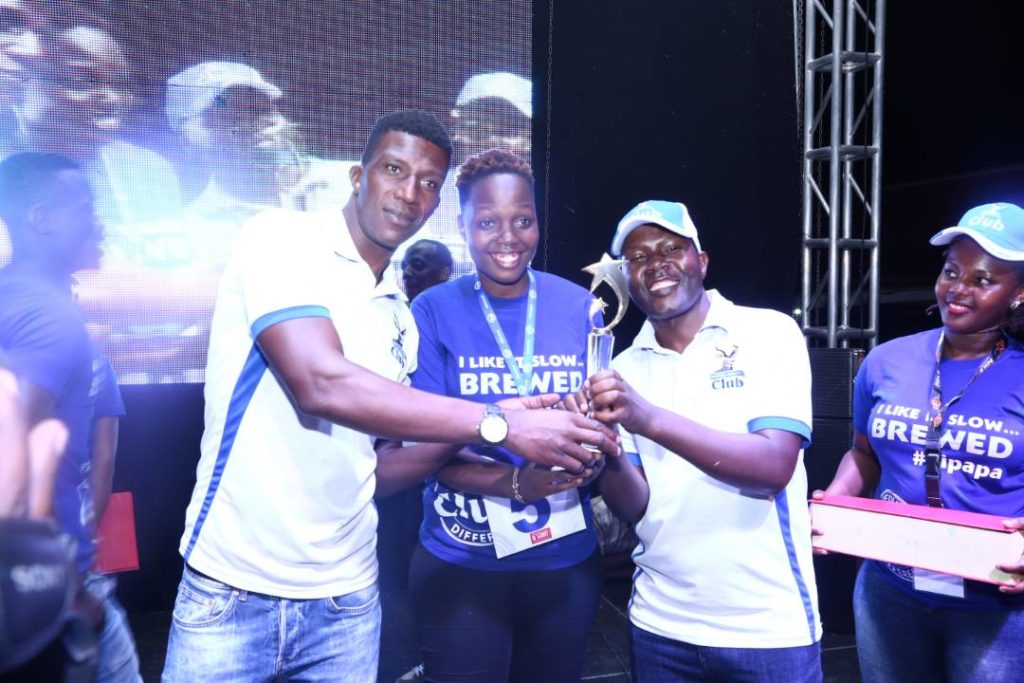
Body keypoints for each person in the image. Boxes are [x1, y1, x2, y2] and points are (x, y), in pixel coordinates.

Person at [162, 111, 615, 683]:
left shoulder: (398, 316)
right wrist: (498, 423)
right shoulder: (282, 238)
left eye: (428, 182)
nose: (409, 192)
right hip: (235, 586)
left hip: (349, 596)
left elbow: (384, 469)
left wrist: (517, 446)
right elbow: (319, 383)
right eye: (394, 170)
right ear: (358, 176)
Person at [378, 149, 604, 683]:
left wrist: (592, 449)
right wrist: (517, 482)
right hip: (462, 560)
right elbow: (425, 448)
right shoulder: (431, 310)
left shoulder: (581, 307)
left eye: (523, 221)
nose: (508, 237)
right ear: (462, 227)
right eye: (487, 222)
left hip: (564, 561)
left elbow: (594, 429)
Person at [587, 199, 822, 682]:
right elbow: (636, 507)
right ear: (626, 279)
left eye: (671, 248)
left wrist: (648, 418)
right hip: (659, 623)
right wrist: (605, 447)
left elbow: (772, 468)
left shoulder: (768, 332)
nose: (656, 264)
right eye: (637, 257)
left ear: (702, 260)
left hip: (766, 627)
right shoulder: (625, 367)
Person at [817, 202, 1024, 683]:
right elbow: (864, 453)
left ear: (1019, 292)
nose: (959, 288)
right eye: (952, 272)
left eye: (982, 279)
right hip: (890, 590)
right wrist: (838, 499)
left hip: (993, 602)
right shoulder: (887, 361)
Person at [0, 151, 141, 682]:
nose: (99, 223)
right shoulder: (49, 315)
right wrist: (69, 587)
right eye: (85, 209)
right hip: (47, 589)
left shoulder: (11, 298)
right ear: (42, 219)